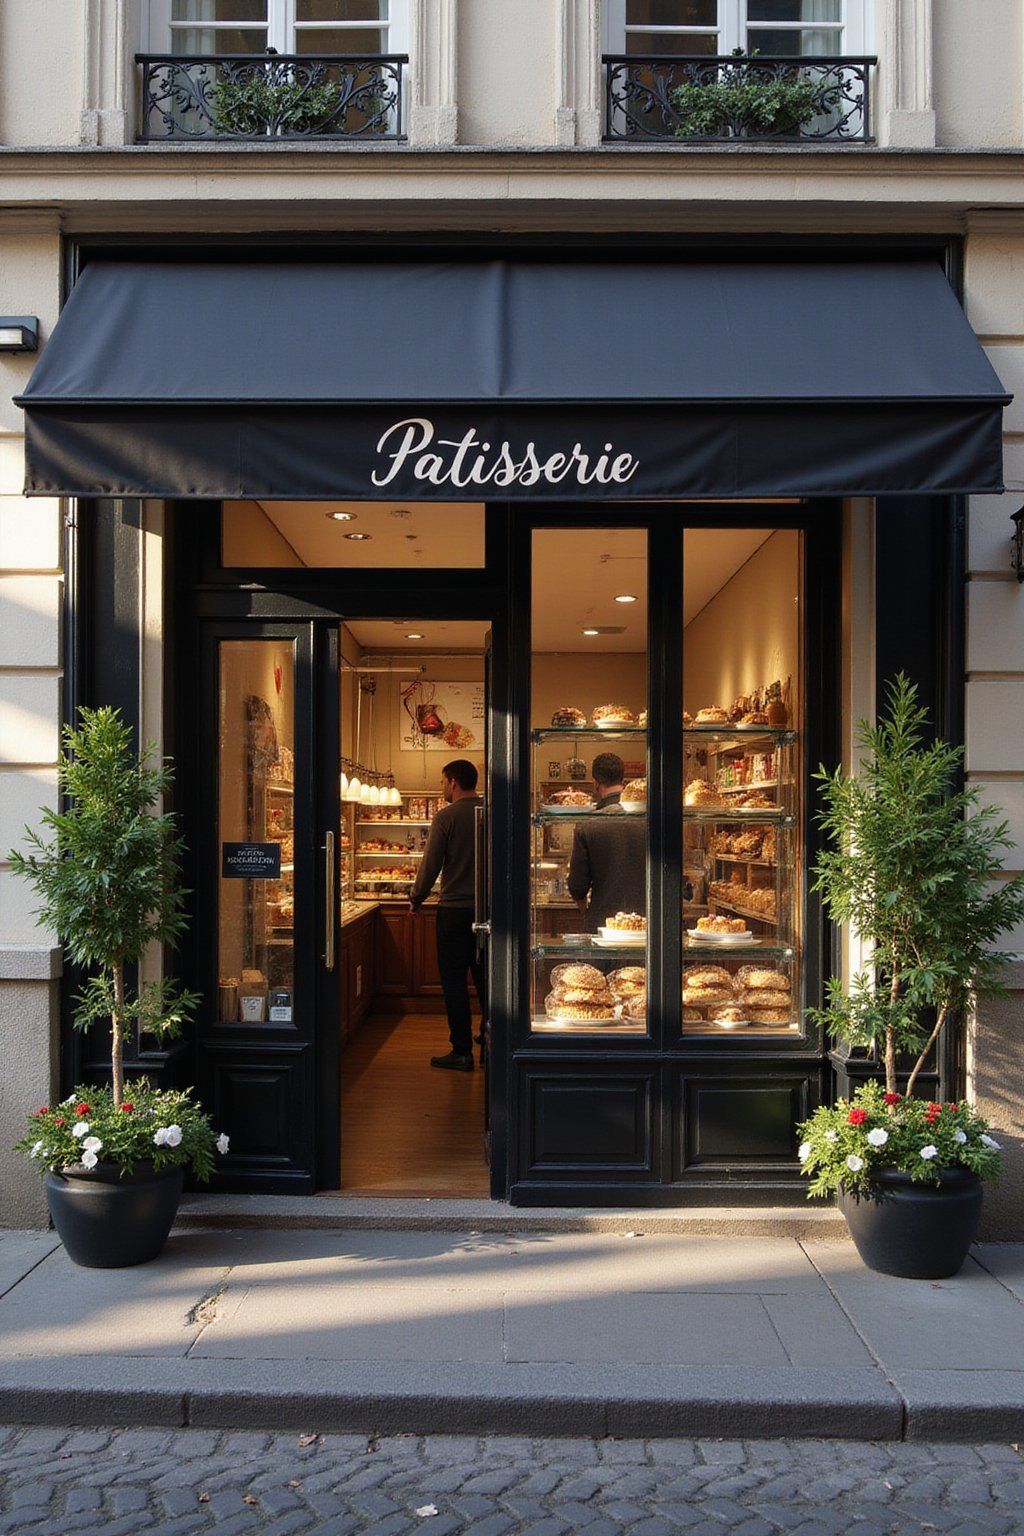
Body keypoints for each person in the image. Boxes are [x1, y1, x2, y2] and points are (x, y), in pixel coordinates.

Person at [409, 758, 486, 1072]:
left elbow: (431, 864)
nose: (442, 787)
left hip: (454, 911)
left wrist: (416, 898)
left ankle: (461, 1050)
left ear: (453, 782)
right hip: (489, 912)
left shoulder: (446, 817)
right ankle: (491, 1036)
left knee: (454, 981)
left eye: (442, 781)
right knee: (488, 980)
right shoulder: (491, 814)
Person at [567, 752, 646, 933]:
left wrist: (585, 910)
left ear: (595, 783)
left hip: (602, 924)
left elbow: (577, 886)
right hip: (646, 924)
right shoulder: (649, 821)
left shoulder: (587, 824)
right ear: (623, 778)